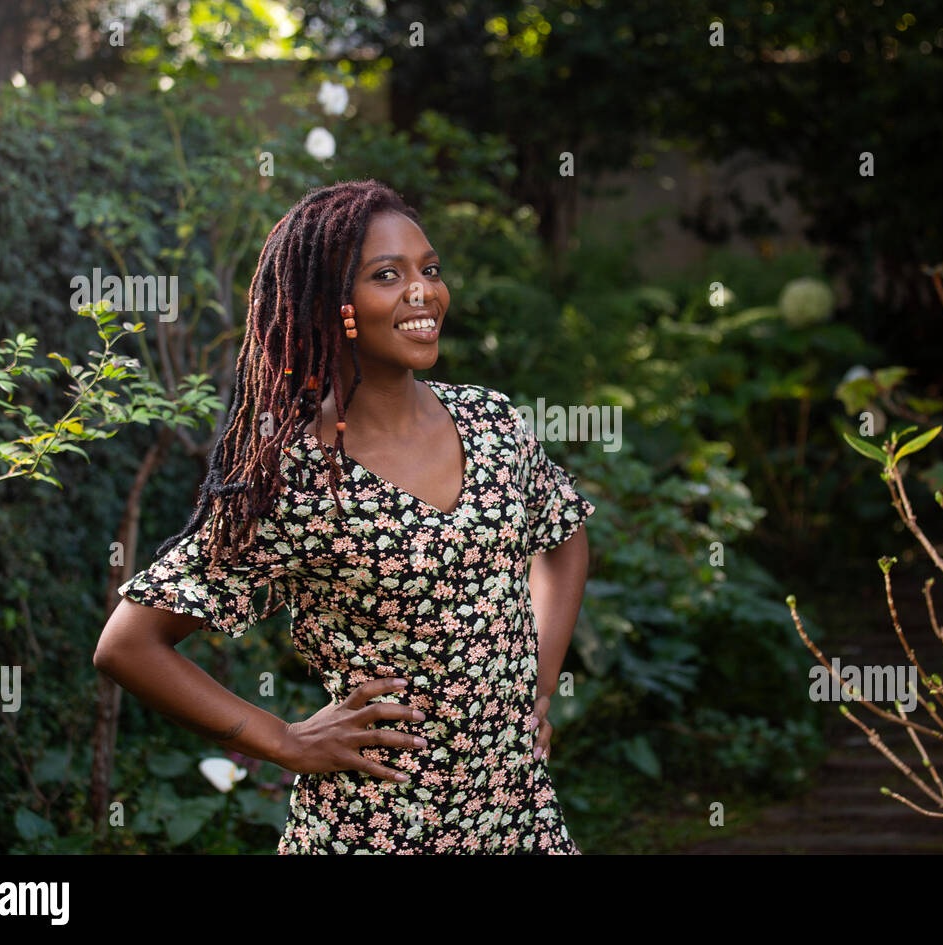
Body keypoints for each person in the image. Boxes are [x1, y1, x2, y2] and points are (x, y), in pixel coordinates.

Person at [93, 179, 595, 854]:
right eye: (387, 275)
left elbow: (561, 537)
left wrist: (534, 684)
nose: (423, 293)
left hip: (517, 819)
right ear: (336, 306)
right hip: (374, 829)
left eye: (430, 269)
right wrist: (283, 739)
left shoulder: (493, 421)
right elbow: (129, 645)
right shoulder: (296, 475)